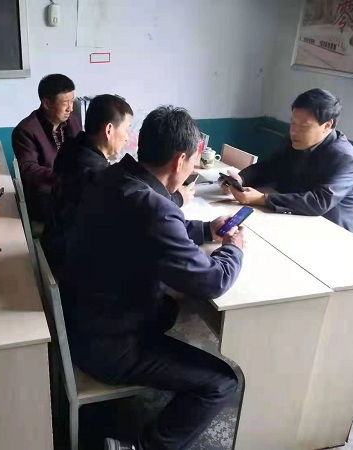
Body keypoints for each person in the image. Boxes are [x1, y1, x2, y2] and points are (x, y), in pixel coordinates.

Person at [61, 106, 244, 450]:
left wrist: (206, 229)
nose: (191, 170)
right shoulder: (153, 208)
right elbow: (212, 281)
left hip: (84, 319)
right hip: (110, 345)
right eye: (193, 162)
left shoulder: (113, 177)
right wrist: (233, 249)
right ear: (179, 160)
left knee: (178, 305)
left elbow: (154, 228)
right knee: (221, 382)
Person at [220, 88, 353, 232]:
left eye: (303, 126)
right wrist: (241, 179)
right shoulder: (295, 141)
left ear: (327, 125)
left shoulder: (344, 157)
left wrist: (262, 199)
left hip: (330, 233)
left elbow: (319, 202)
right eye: (293, 123)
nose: (293, 131)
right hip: (294, 220)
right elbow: (270, 167)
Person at [42, 94, 133, 275]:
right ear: (109, 130)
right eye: (126, 129)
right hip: (74, 265)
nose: (127, 137)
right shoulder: (96, 174)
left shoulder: (72, 148)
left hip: (56, 245)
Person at [12, 74, 81, 221]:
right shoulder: (26, 130)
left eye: (72, 101)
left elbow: (82, 152)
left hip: (71, 191)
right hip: (45, 198)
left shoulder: (72, 122)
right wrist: (62, 178)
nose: (70, 108)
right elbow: (28, 169)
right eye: (65, 103)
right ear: (47, 104)